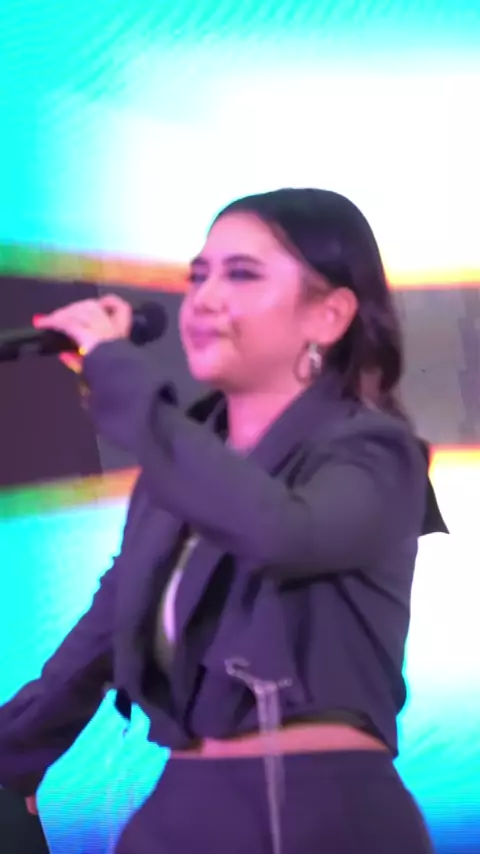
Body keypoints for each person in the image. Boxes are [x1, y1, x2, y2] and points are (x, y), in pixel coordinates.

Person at [0, 188, 447, 853]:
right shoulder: (178, 470)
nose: (204, 299)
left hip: (312, 811)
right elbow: (101, 637)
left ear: (329, 314)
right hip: (180, 811)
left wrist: (119, 377)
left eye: (241, 274)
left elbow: (281, 533)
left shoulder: (375, 454)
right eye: (198, 276)